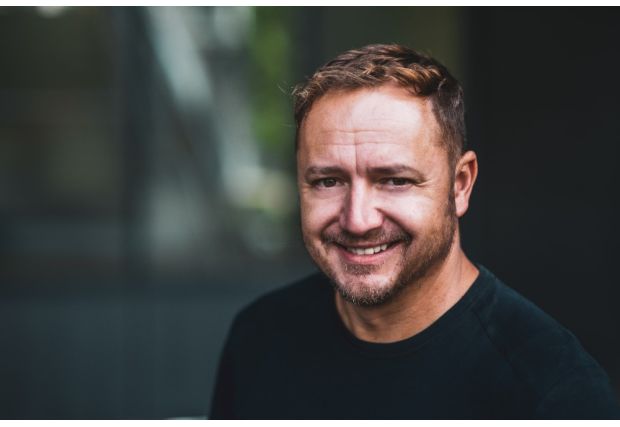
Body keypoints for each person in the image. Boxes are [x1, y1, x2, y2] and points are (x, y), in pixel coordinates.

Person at [209, 44, 620, 419]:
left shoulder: (553, 393)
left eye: (395, 180)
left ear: (460, 185)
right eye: (328, 181)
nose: (358, 220)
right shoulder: (260, 337)